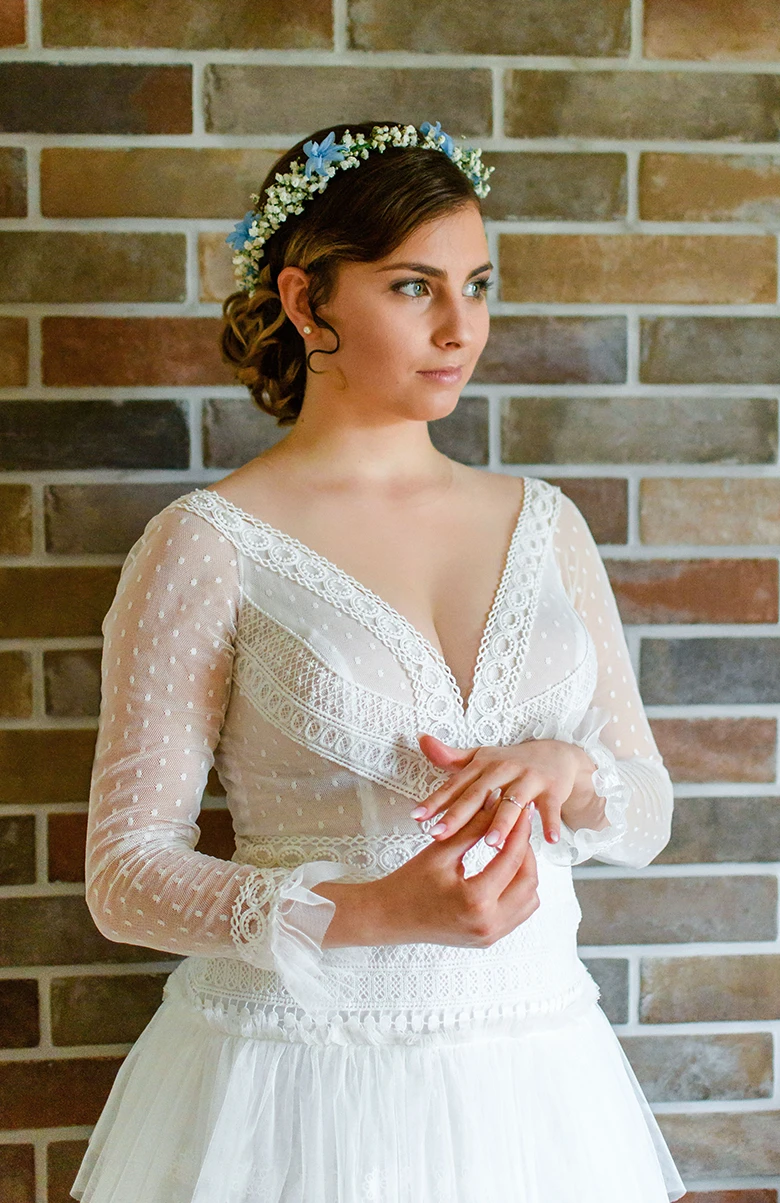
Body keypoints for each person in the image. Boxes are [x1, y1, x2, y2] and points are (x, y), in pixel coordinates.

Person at [71, 120, 686, 1202]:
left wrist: (567, 770)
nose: (461, 328)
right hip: (298, 1088)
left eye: (478, 286)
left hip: (535, 1080)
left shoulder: (546, 524)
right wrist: (364, 913)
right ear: (308, 301)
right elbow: (124, 876)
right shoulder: (207, 544)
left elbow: (645, 809)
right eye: (413, 287)